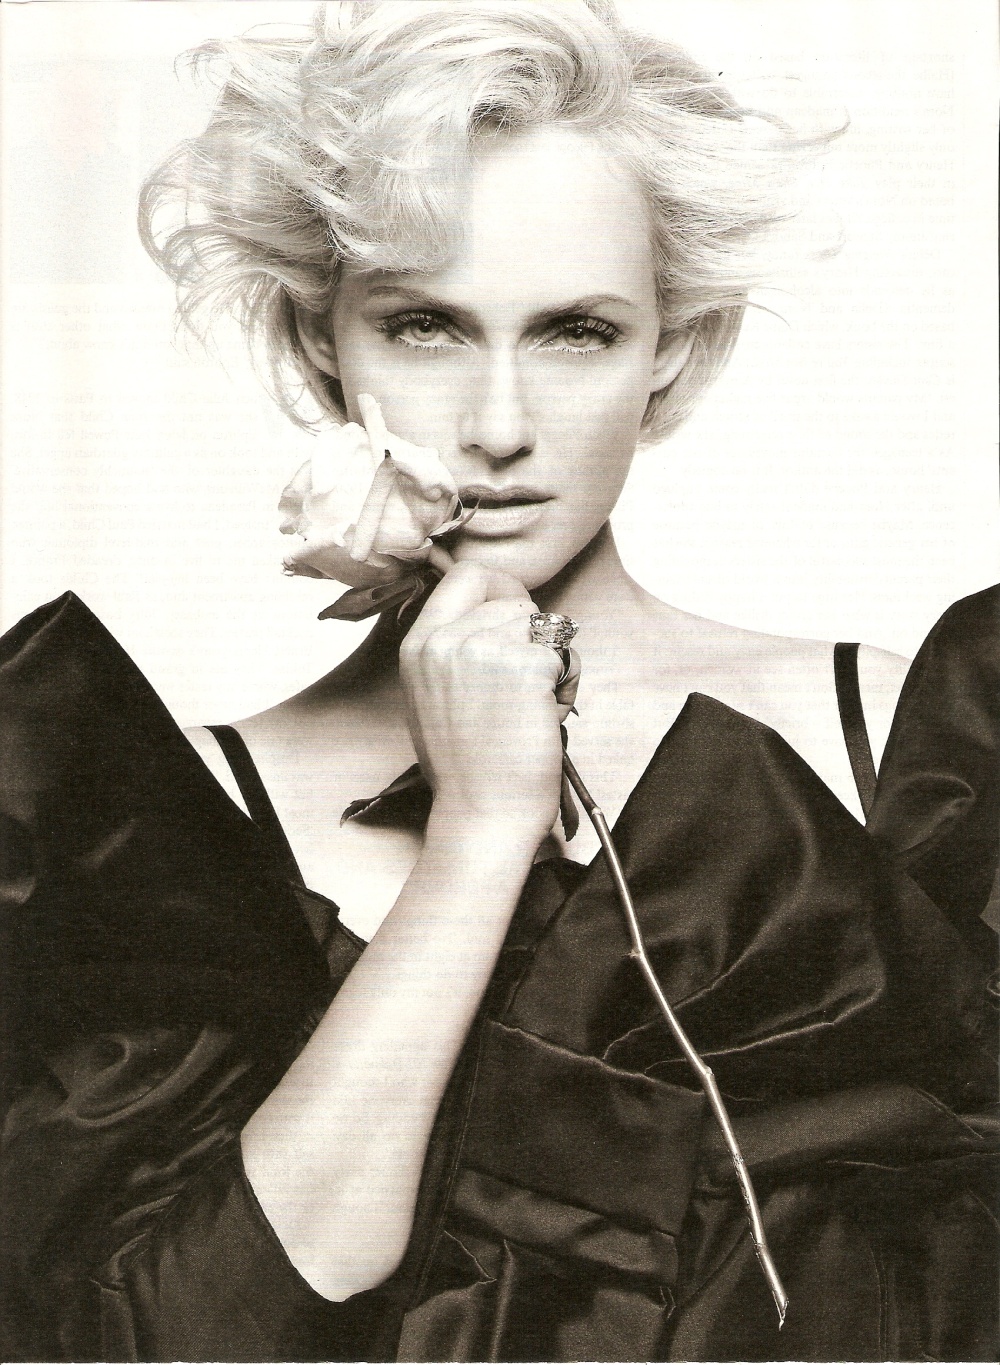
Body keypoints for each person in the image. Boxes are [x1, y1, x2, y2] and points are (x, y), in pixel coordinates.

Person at [1, 2, 996, 1360]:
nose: (500, 426)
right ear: (320, 343)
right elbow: (183, 1334)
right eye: (426, 327)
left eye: (576, 331)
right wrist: (476, 835)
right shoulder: (161, 825)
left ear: (674, 349)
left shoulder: (901, 738)